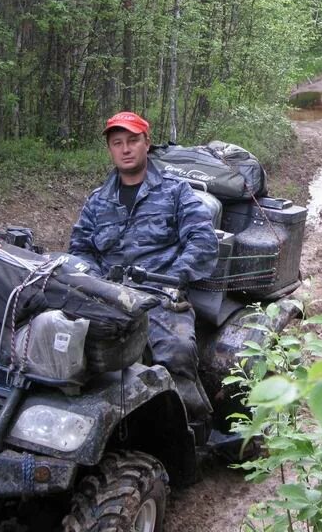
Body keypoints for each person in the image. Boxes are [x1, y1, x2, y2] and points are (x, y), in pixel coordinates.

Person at [69, 110, 218, 427]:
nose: (125, 149)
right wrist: (91, 280)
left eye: (132, 141)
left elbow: (202, 240)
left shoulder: (176, 192)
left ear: (146, 143)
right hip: (107, 297)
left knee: (176, 351)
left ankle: (192, 426)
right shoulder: (98, 201)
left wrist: (176, 276)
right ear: (110, 149)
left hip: (159, 296)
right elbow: (80, 249)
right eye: (117, 142)